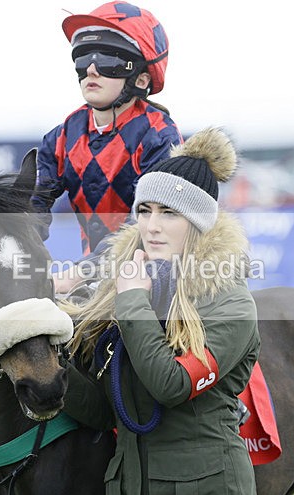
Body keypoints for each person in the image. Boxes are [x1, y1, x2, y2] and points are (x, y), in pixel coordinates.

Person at [60, 127, 265, 495]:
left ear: (199, 224)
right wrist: (45, 362)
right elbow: (106, 413)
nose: (151, 226)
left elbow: (171, 385)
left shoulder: (231, 304)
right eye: (145, 210)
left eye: (169, 213)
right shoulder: (129, 286)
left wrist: (131, 301)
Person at [32, 1, 183, 292]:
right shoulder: (61, 137)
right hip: (95, 273)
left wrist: (79, 274)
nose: (90, 69)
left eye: (108, 60)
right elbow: (33, 210)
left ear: (140, 78)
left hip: (157, 270)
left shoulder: (160, 135)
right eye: (83, 58)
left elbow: (146, 223)